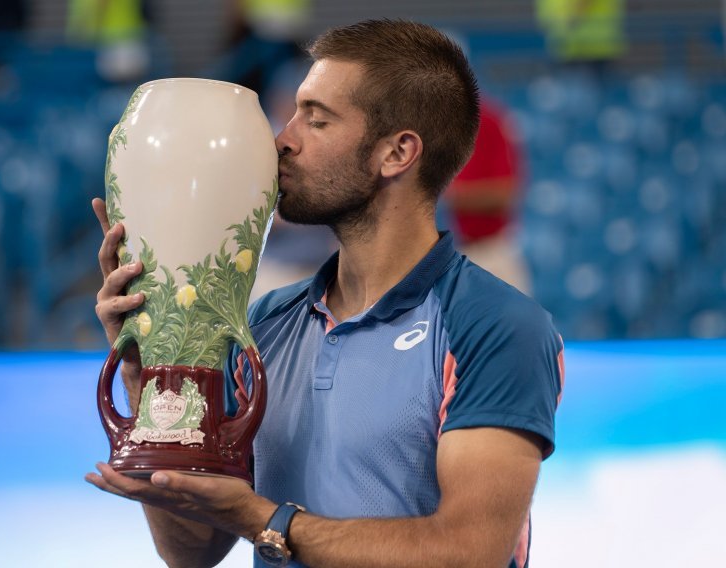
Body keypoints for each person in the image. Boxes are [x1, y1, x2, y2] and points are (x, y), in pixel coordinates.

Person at [87, 19, 565, 568]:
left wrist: (260, 519)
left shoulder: (498, 326)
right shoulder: (262, 322)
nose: (282, 139)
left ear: (396, 153)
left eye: (316, 120)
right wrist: (148, 370)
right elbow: (193, 552)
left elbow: (468, 551)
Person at [442, 97, 533, 294]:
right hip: (460, 251)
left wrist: (459, 195)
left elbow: (506, 193)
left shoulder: (488, 119)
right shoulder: (435, 121)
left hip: (495, 249)